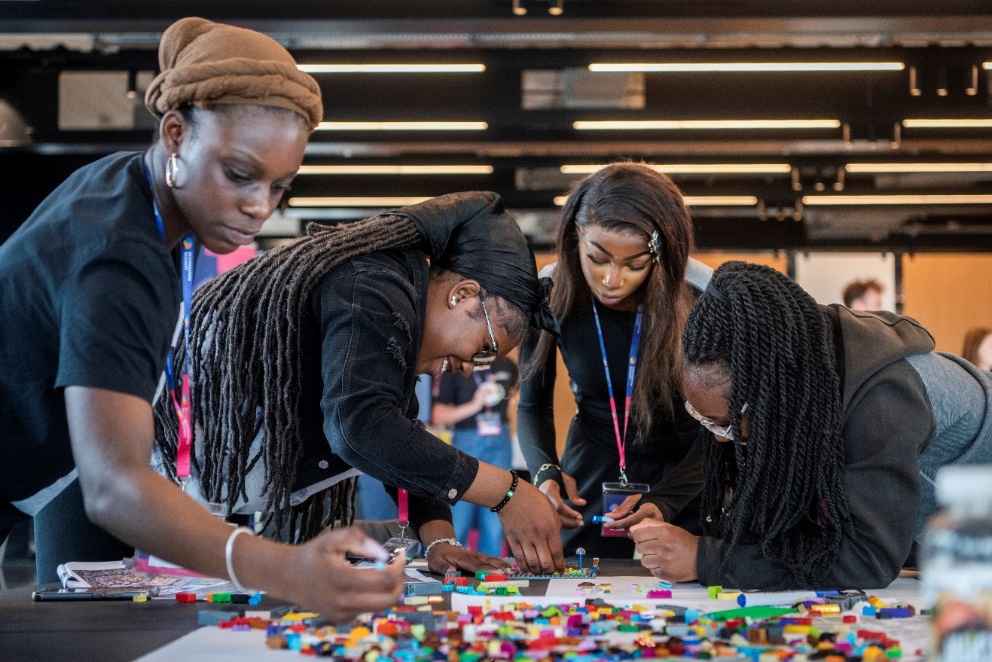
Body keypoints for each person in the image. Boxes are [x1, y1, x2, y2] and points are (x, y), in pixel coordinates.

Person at [0, 17, 408, 621]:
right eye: (239, 174)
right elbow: (113, 484)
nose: (258, 206)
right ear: (174, 133)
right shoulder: (120, 255)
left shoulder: (124, 186)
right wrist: (282, 567)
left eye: (280, 186)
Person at [153, 190, 566, 575]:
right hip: (158, 485)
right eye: (483, 349)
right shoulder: (375, 283)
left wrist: (439, 538)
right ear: (463, 295)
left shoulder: (398, 309)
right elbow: (361, 427)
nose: (470, 369)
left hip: (205, 496)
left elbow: (398, 436)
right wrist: (508, 491)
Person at [632, 261, 992, 589]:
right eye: (704, 420)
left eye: (726, 423)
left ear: (772, 391)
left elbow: (868, 560)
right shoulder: (799, 369)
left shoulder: (882, 403)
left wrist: (705, 559)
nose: (720, 439)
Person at [517, 162, 708, 558]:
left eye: (635, 265)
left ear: (660, 258)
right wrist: (545, 473)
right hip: (591, 475)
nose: (611, 279)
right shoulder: (550, 292)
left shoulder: (703, 297)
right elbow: (533, 404)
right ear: (575, 240)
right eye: (597, 258)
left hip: (689, 471)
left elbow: (726, 429)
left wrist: (668, 500)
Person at [432, 356, 519, 558]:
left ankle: (492, 572)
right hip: (466, 440)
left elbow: (518, 390)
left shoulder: (506, 364)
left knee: (496, 516)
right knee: (459, 514)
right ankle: (453, 566)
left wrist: (514, 402)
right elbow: (437, 416)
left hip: (500, 439)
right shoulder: (455, 366)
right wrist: (475, 404)